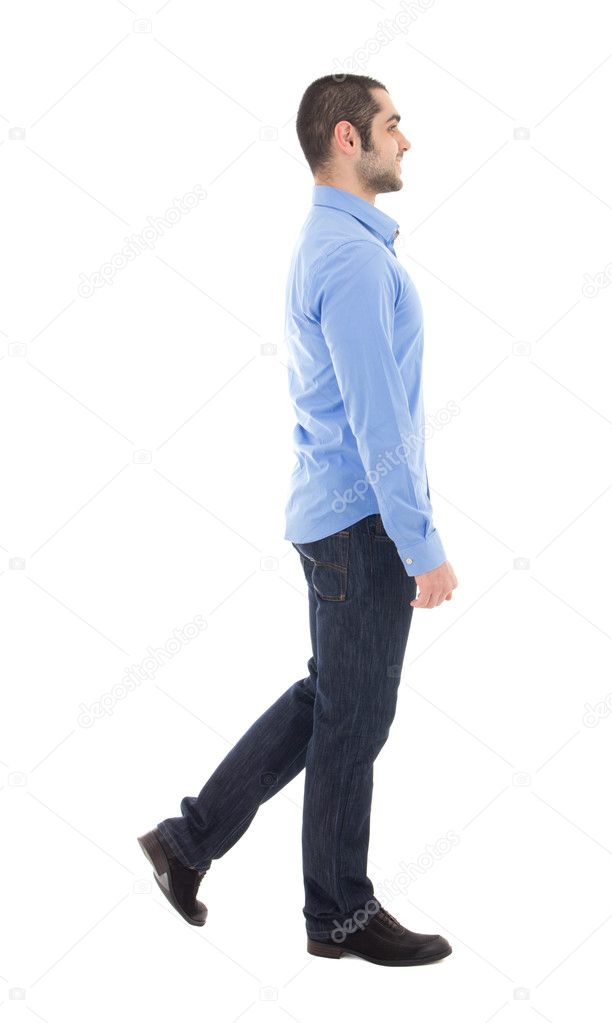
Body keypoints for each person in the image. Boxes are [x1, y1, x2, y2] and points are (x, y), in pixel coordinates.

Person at [138, 73, 458, 968]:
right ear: (348, 138)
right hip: (360, 522)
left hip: (340, 518)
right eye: (394, 123)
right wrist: (421, 542)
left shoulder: (336, 243)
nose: (407, 139)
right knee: (354, 720)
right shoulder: (352, 259)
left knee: (331, 703)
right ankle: (339, 913)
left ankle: (188, 840)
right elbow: (378, 418)